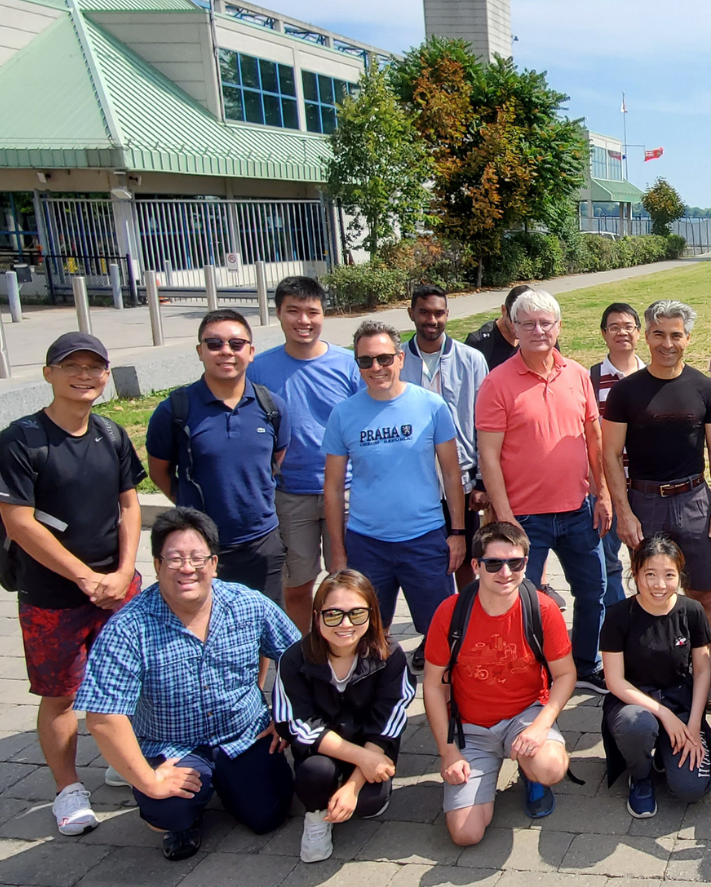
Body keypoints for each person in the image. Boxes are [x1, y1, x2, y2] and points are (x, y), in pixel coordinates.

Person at [76, 508, 300, 860]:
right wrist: (148, 780)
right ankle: (182, 819)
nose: (187, 568)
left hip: (245, 734)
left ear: (213, 562)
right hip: (172, 746)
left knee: (268, 816)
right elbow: (103, 718)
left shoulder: (248, 604)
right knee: (166, 809)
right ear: (157, 563)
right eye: (175, 558)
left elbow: (300, 658)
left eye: (197, 558)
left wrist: (286, 717)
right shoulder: (128, 627)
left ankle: (230, 783)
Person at [0, 332, 144, 836]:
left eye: (94, 367)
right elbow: (18, 520)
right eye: (71, 367)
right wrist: (84, 577)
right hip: (52, 596)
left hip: (116, 585)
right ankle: (67, 790)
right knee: (60, 694)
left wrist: (124, 571)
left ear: (106, 375)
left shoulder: (110, 433)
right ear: (48, 374)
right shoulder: (21, 439)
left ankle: (119, 755)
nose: (84, 376)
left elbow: (129, 503)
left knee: (127, 679)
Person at [476, 287, 613, 694]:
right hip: (523, 518)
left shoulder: (576, 374)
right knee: (520, 602)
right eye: (528, 323)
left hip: (577, 509)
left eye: (545, 322)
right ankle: (530, 674)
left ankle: (586, 665)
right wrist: (505, 518)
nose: (538, 330)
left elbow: (594, 440)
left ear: (559, 326)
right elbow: (489, 456)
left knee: (594, 592)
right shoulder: (497, 383)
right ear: (513, 328)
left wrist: (602, 494)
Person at [422, 522, 575, 843]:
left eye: (515, 563)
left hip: (525, 715)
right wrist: (448, 752)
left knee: (549, 767)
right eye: (494, 564)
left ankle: (531, 772)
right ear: (476, 566)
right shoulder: (450, 613)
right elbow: (434, 685)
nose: (506, 572)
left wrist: (541, 724)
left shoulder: (543, 609)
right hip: (470, 727)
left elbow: (565, 675)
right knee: (466, 835)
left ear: (526, 563)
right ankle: (485, 773)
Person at [324, 320, 466, 664]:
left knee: (439, 635)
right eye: (366, 361)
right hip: (367, 542)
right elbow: (331, 487)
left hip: (424, 539)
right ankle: (373, 700)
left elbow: (451, 472)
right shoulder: (343, 414)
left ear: (400, 359)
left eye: (385, 359)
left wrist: (458, 532)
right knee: (365, 633)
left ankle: (445, 705)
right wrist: (338, 552)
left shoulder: (431, 406)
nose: (376, 368)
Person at [147, 309, 290, 603]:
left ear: (251, 352)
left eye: (236, 344)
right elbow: (159, 472)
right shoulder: (174, 411)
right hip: (199, 547)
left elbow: (275, 461)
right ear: (200, 351)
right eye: (214, 344)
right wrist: (191, 506)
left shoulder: (271, 406)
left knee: (264, 632)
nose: (226, 351)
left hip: (261, 543)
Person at [603, 301, 711, 625]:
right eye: (659, 334)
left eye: (676, 335)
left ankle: (700, 669)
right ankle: (655, 667)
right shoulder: (625, 392)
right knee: (650, 592)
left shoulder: (705, 390)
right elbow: (612, 454)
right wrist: (624, 512)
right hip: (645, 504)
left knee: (702, 594)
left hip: (694, 503)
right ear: (646, 336)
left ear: (688, 338)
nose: (667, 344)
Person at [272, 570, 413, 862]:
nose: (346, 624)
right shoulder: (294, 659)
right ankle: (315, 818)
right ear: (317, 616)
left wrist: (352, 787)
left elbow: (387, 724)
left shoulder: (391, 655)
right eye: (333, 614)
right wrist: (363, 760)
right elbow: (299, 724)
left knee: (367, 804)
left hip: (371, 745)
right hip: (322, 749)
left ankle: (351, 790)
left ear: (372, 615)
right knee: (315, 774)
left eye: (357, 614)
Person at [250, 276, 363, 629]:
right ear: (278, 314)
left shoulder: (349, 365)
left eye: (312, 311)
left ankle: (349, 649)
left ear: (323, 314)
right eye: (293, 311)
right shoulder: (259, 369)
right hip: (288, 494)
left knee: (349, 584)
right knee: (295, 585)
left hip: (346, 492)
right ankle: (306, 652)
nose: (304, 320)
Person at [601, 534, 711, 817]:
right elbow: (614, 681)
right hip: (632, 702)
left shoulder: (691, 611)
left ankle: (664, 755)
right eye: (650, 574)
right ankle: (640, 775)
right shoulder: (619, 615)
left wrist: (692, 725)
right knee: (638, 725)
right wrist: (662, 714)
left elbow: (703, 672)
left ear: (679, 575)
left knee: (691, 789)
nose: (659, 585)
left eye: (669, 575)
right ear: (636, 573)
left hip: (679, 701)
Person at [401, 285, 490, 589]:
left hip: (462, 480)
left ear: (447, 315)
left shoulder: (472, 360)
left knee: (466, 559)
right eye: (424, 312)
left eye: (439, 313)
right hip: (414, 482)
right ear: (411, 313)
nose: (432, 319)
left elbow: (483, 424)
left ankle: (466, 622)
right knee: (426, 562)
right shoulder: (395, 360)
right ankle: (434, 626)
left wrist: (481, 481)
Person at [592, 303, 646, 605]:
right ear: (603, 334)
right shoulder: (592, 381)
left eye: (628, 326)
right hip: (609, 490)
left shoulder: (653, 376)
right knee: (608, 563)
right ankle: (615, 622)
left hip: (646, 487)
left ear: (638, 333)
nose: (622, 332)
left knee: (648, 560)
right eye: (614, 327)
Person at [464, 284, 525, 371]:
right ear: (504, 310)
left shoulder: (535, 337)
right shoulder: (479, 343)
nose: (519, 327)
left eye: (527, 323)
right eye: (514, 320)